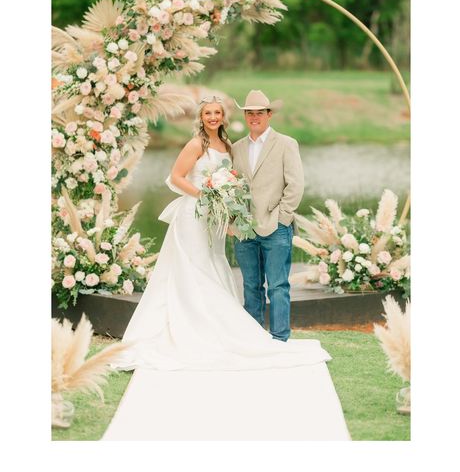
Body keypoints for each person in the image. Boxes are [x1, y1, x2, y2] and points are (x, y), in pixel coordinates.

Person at [109, 96, 330, 372]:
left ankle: (260, 335)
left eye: (217, 113)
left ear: (224, 117)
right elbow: (175, 177)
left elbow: (266, 184)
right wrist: (206, 194)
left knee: (224, 269)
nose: (212, 117)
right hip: (194, 215)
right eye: (207, 113)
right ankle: (192, 329)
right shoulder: (198, 144)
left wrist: (232, 211)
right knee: (195, 269)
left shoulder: (229, 147)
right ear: (200, 118)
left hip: (220, 221)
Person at [232, 90, 304, 342]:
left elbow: (295, 186)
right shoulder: (236, 148)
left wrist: (282, 218)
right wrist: (234, 223)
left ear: (269, 114)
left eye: (259, 113)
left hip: (276, 227)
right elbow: (231, 187)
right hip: (244, 231)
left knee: (278, 287)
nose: (254, 117)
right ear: (245, 115)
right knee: (251, 287)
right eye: (249, 113)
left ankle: (279, 339)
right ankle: (254, 339)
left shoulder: (286, 144)